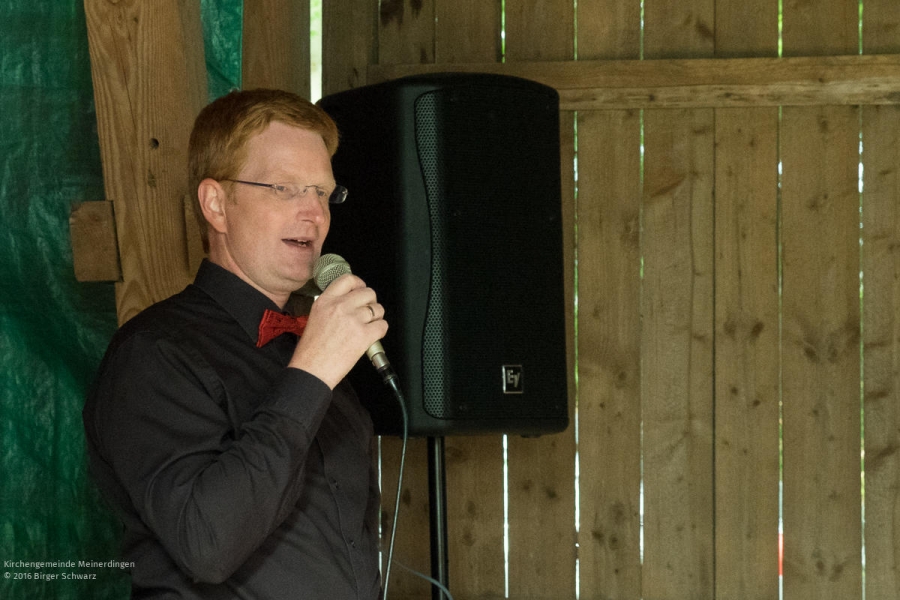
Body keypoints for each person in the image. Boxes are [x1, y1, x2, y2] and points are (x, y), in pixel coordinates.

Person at [83, 88, 387, 599]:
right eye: (285, 188)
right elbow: (207, 542)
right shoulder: (155, 353)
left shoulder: (310, 343)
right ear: (217, 204)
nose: (313, 213)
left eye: (322, 191)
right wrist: (310, 377)